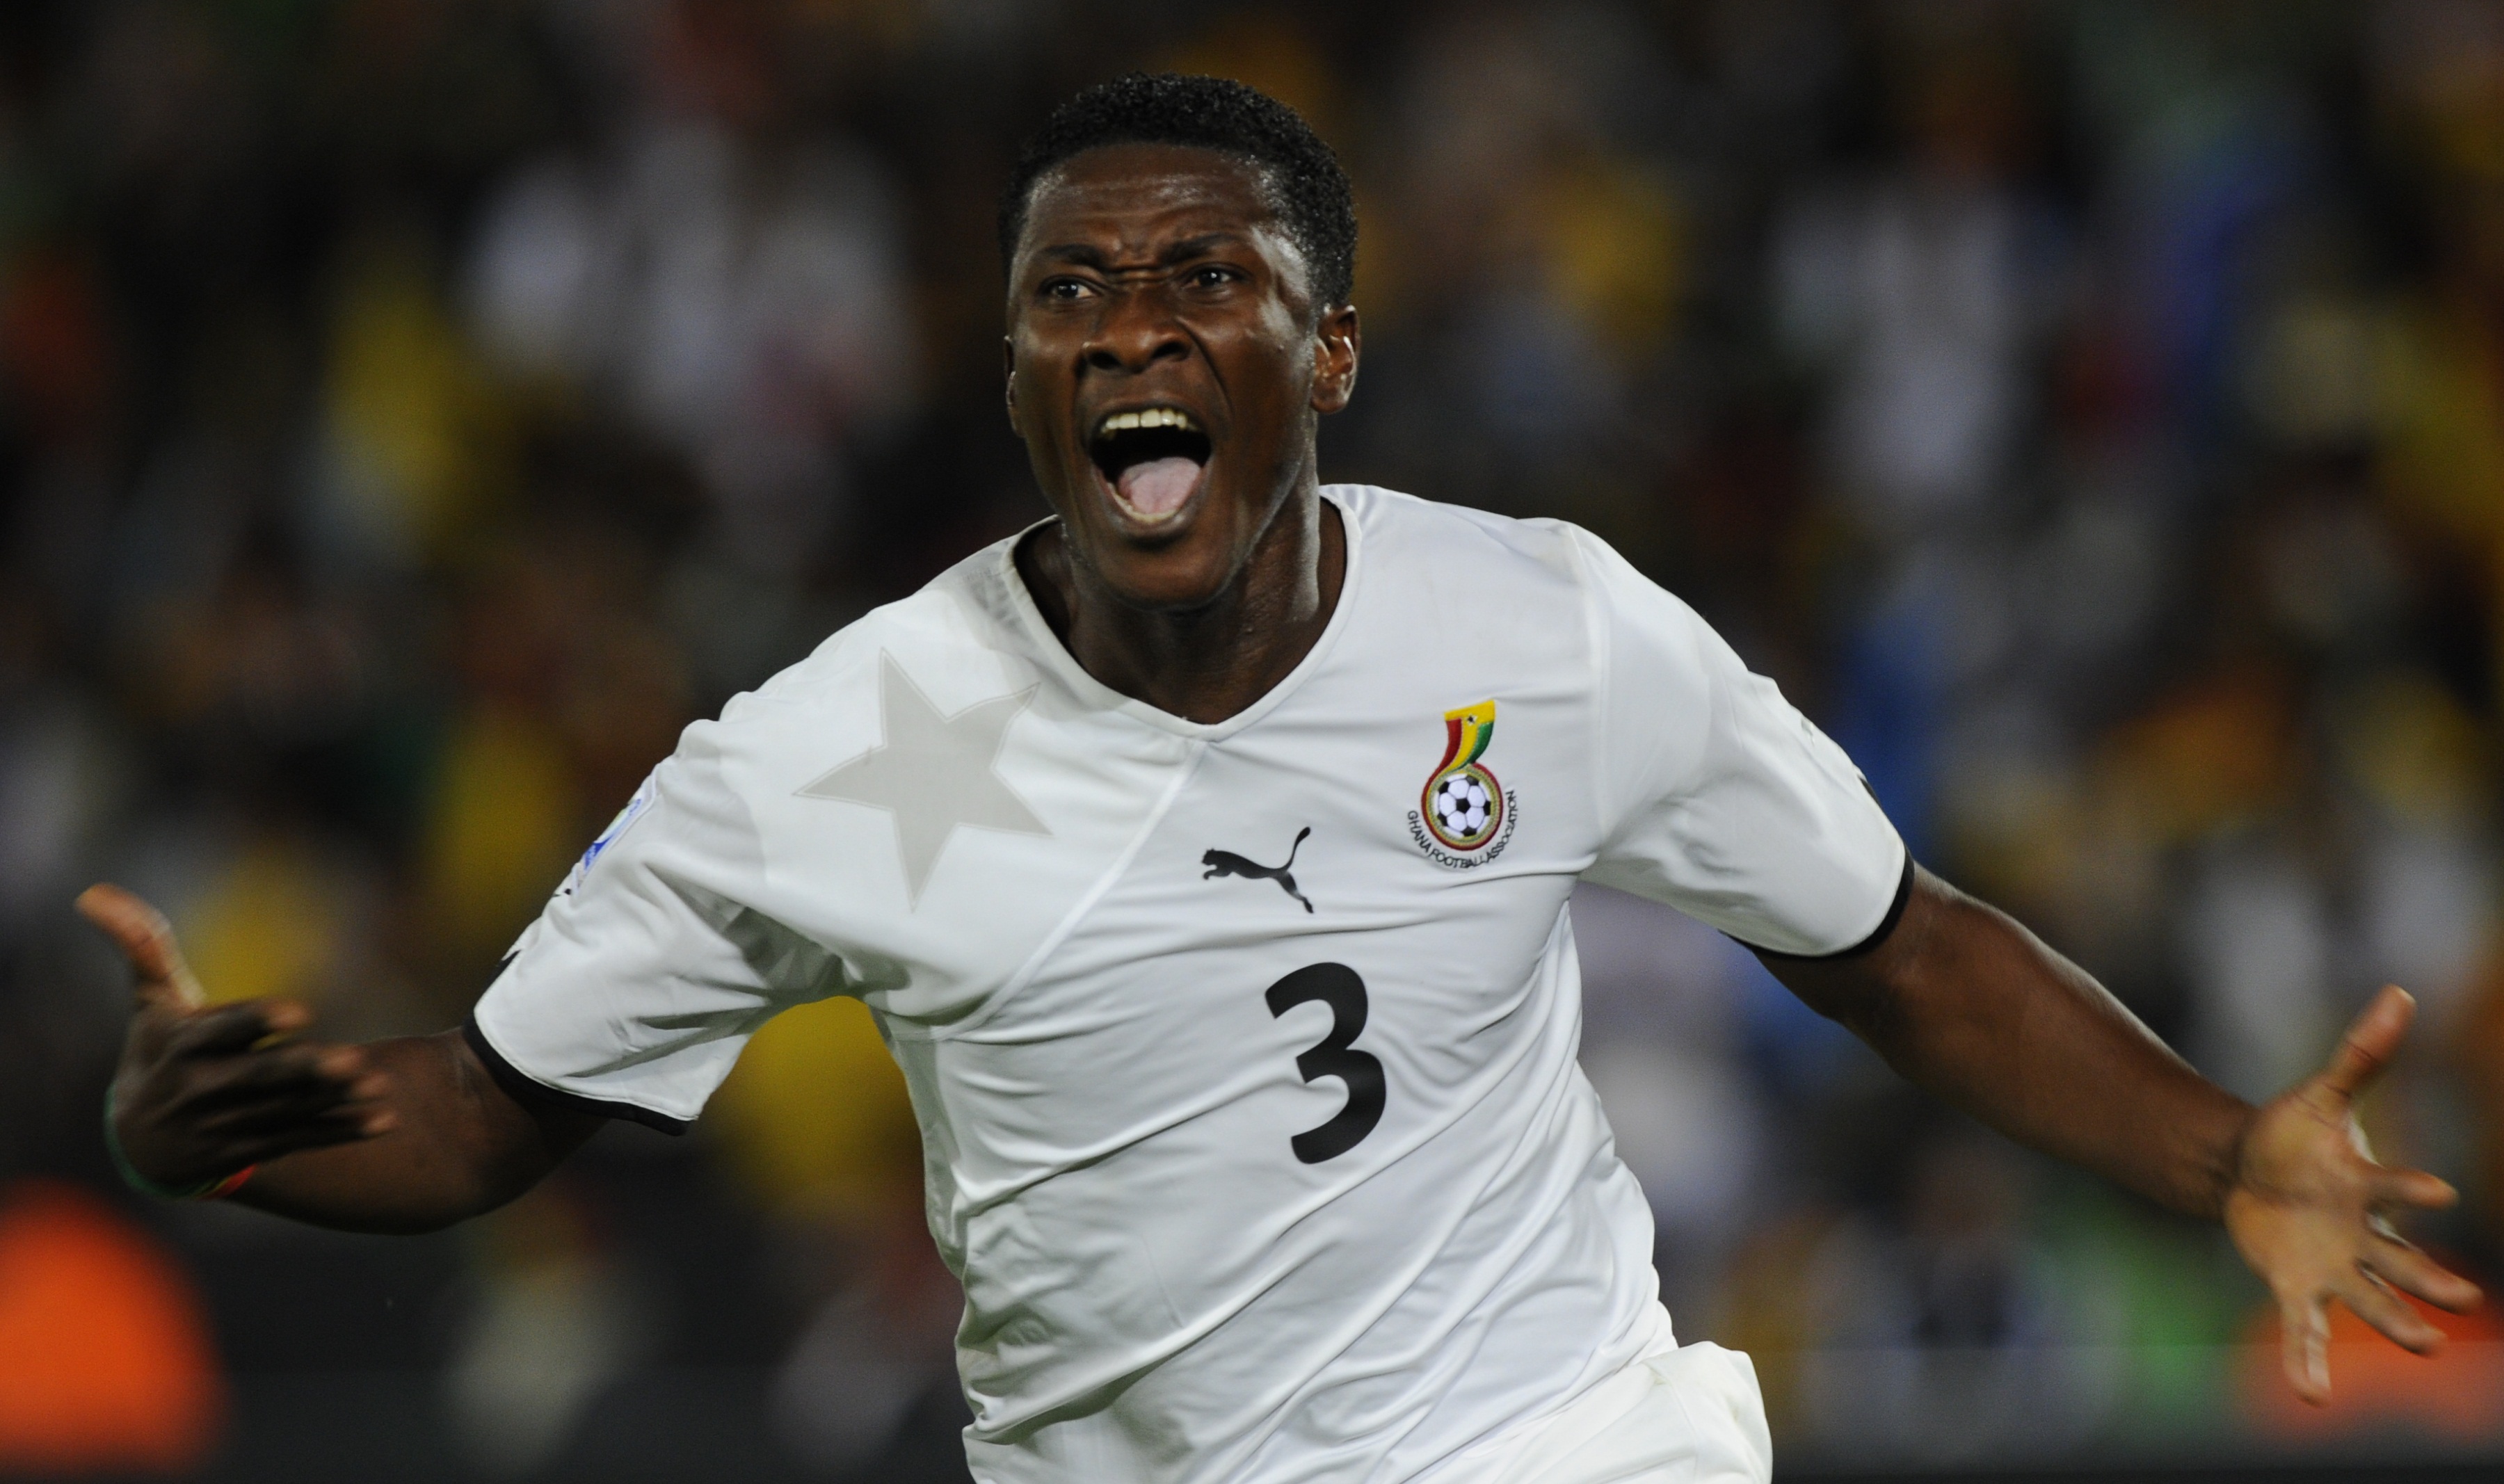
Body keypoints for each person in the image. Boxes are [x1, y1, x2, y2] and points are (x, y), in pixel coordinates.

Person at [83, 74, 2478, 1484]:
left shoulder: (1545, 627)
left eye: (1200, 280)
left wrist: (2218, 1152)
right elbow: (488, 1116)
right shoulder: (837, 755)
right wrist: (248, 1132)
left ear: (1327, 343)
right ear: (1021, 375)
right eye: (1068, 297)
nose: (1132, 327)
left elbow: (1901, 950)